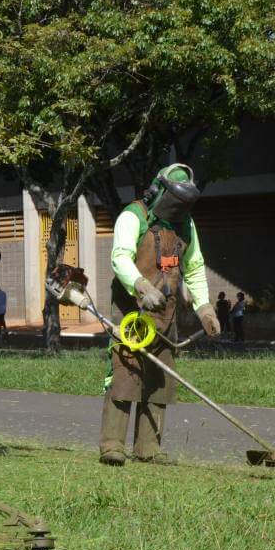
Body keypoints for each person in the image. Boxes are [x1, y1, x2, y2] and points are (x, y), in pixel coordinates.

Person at [99, 163, 221, 466]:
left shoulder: (185, 225)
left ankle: (149, 448)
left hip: (166, 315)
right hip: (132, 313)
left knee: (159, 379)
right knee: (126, 373)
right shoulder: (133, 216)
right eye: (175, 203)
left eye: (184, 205)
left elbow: (193, 268)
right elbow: (120, 258)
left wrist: (205, 308)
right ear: (159, 192)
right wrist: (140, 284)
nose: (179, 210)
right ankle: (112, 445)